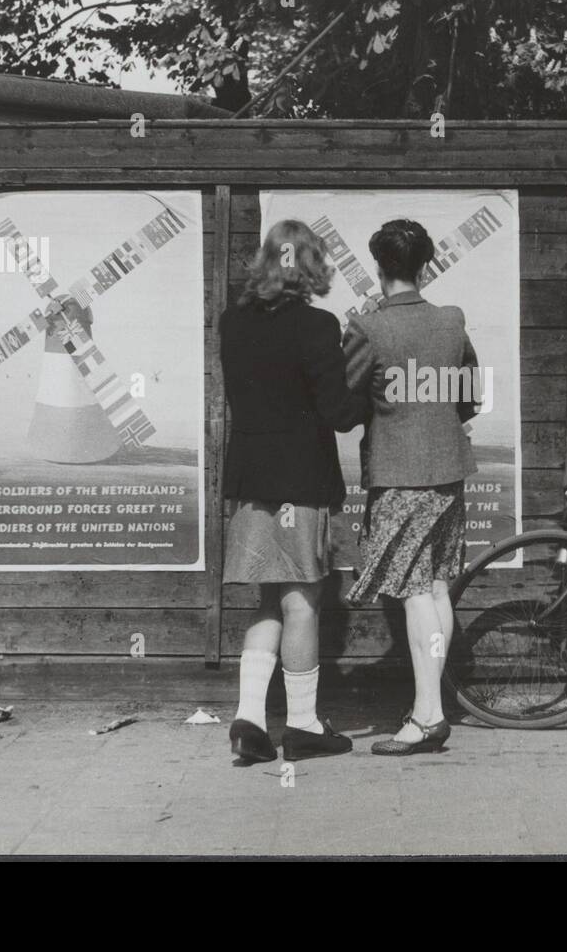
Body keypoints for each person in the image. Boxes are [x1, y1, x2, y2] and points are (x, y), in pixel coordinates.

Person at [220, 219, 369, 763]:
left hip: (251, 479)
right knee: (302, 599)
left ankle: (249, 721)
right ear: (311, 268)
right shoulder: (317, 325)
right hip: (300, 479)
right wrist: (363, 376)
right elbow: (339, 413)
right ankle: (303, 725)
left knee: (267, 598)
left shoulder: (231, 324)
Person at [343, 219, 480, 755]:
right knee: (437, 586)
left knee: (417, 591)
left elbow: (346, 403)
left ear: (379, 267)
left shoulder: (367, 327)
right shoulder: (451, 320)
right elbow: (471, 394)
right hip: (448, 469)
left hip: (399, 474)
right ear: (425, 267)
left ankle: (428, 717)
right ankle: (430, 707)